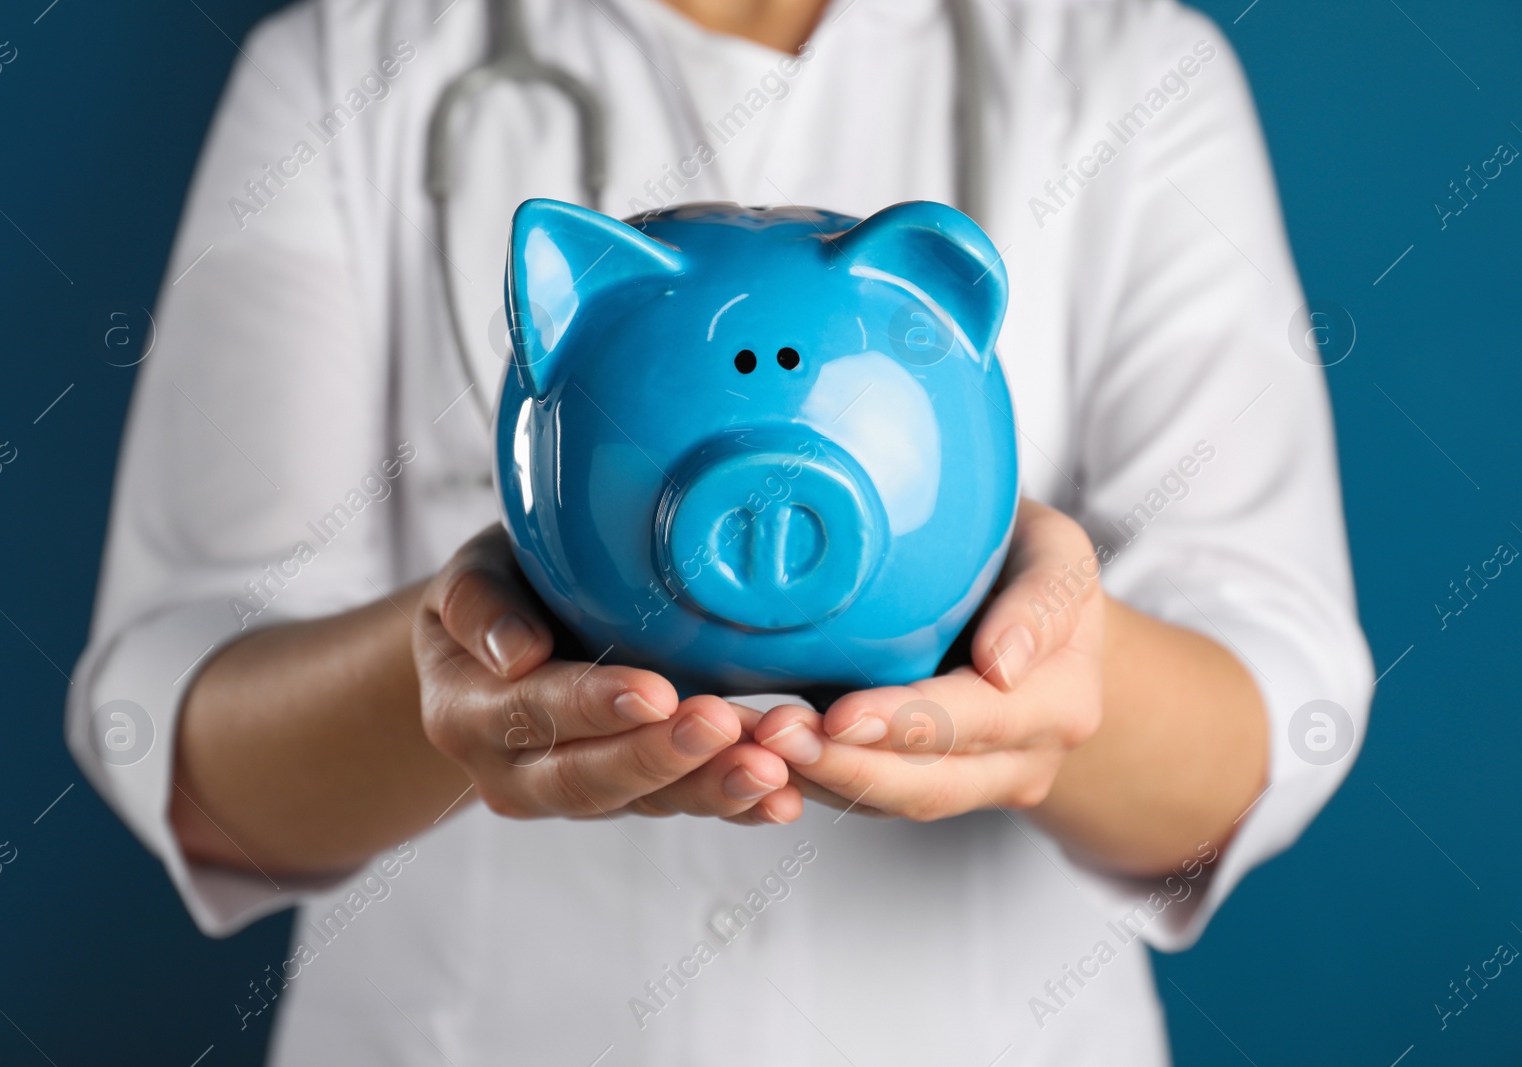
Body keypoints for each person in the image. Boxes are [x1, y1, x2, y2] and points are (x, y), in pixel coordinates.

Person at [66, 0, 1373, 1062]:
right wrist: (433, 695)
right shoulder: (347, 66)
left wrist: (1060, 687)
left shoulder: (1137, 69)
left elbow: (1273, 719)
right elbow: (181, 744)